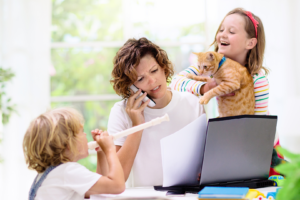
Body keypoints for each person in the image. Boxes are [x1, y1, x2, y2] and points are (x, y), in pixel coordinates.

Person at [104, 37, 205, 187]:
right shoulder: (120, 112)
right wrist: (137, 125)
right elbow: (116, 178)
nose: (152, 81)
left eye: (154, 70)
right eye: (140, 78)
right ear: (130, 86)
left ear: (163, 67)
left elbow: (203, 160)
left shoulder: (192, 103)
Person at [170, 8, 269, 115]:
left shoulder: (258, 80)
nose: (222, 34)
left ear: (250, 43)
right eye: (221, 30)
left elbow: (259, 124)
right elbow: (175, 82)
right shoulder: (210, 65)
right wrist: (206, 88)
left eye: (231, 31)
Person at [23, 108, 125, 200]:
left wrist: (101, 152)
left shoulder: (53, 174)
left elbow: (101, 189)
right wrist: (110, 150)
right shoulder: (68, 171)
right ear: (68, 143)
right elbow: (117, 186)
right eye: (81, 131)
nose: (85, 134)